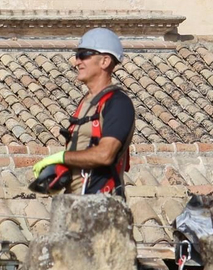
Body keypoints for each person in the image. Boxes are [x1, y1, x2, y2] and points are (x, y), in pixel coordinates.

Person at [29, 28, 135, 197]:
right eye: (77, 55)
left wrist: (63, 157)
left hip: (102, 206)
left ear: (105, 61)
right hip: (77, 204)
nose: (76, 61)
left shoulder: (118, 103)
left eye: (84, 54)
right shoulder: (87, 103)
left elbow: (105, 154)